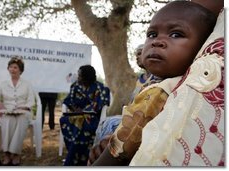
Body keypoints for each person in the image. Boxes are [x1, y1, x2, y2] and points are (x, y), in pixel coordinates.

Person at [91, 0, 219, 166]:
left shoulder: (158, 93)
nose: (156, 41)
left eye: (176, 34)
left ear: (203, 49)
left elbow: (119, 152)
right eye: (152, 34)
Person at [0, 56, 35, 166]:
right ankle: (7, 154)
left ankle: (16, 154)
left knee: (21, 120)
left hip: (23, 111)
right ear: (8, 69)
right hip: (8, 111)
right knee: (8, 121)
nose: (12, 69)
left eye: (15, 67)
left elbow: (31, 100)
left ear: (20, 70)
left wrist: (24, 107)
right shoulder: (3, 83)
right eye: (11, 67)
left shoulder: (27, 84)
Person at [60, 64, 110, 166]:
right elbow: (68, 101)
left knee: (84, 123)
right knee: (64, 120)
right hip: (75, 116)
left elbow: (99, 105)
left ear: (87, 76)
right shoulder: (75, 86)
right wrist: (74, 109)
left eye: (80, 75)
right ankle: (76, 155)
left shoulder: (100, 88)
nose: (78, 77)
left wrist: (84, 110)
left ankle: (73, 159)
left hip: (92, 117)